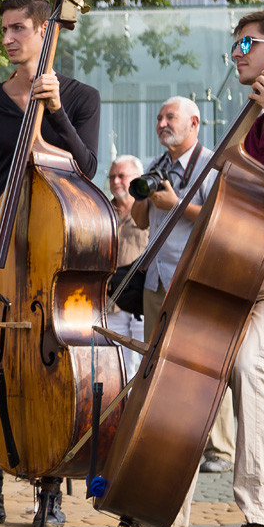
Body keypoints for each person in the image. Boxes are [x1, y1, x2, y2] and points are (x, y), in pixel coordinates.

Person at [98, 5, 264, 527]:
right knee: (179, 367)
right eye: (234, 48)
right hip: (243, 270)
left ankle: (262, 521)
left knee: (253, 360)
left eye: (244, 45)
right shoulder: (249, 127)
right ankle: (158, 516)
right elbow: (225, 211)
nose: (234, 56)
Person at [0, 0, 100, 527]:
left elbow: (85, 167)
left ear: (45, 29)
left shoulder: (80, 97)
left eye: (18, 28)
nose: (8, 38)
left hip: (46, 257)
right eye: (4, 29)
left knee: (49, 367)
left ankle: (50, 490)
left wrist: (54, 110)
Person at [130, 98, 230, 474]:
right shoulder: (159, 166)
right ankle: (171, 436)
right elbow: (141, 223)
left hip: (193, 277)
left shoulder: (210, 165)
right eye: (158, 117)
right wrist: (141, 197)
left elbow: (221, 219)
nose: (161, 123)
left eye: (169, 117)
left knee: (203, 362)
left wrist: (175, 203)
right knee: (158, 360)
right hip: (156, 278)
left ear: (193, 123)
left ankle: (219, 447)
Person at [105, 155, 149, 376]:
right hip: (112, 299)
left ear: (137, 179)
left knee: (144, 365)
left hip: (141, 299)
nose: (115, 181)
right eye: (112, 176)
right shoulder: (102, 212)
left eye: (122, 176)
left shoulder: (149, 210)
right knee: (116, 366)